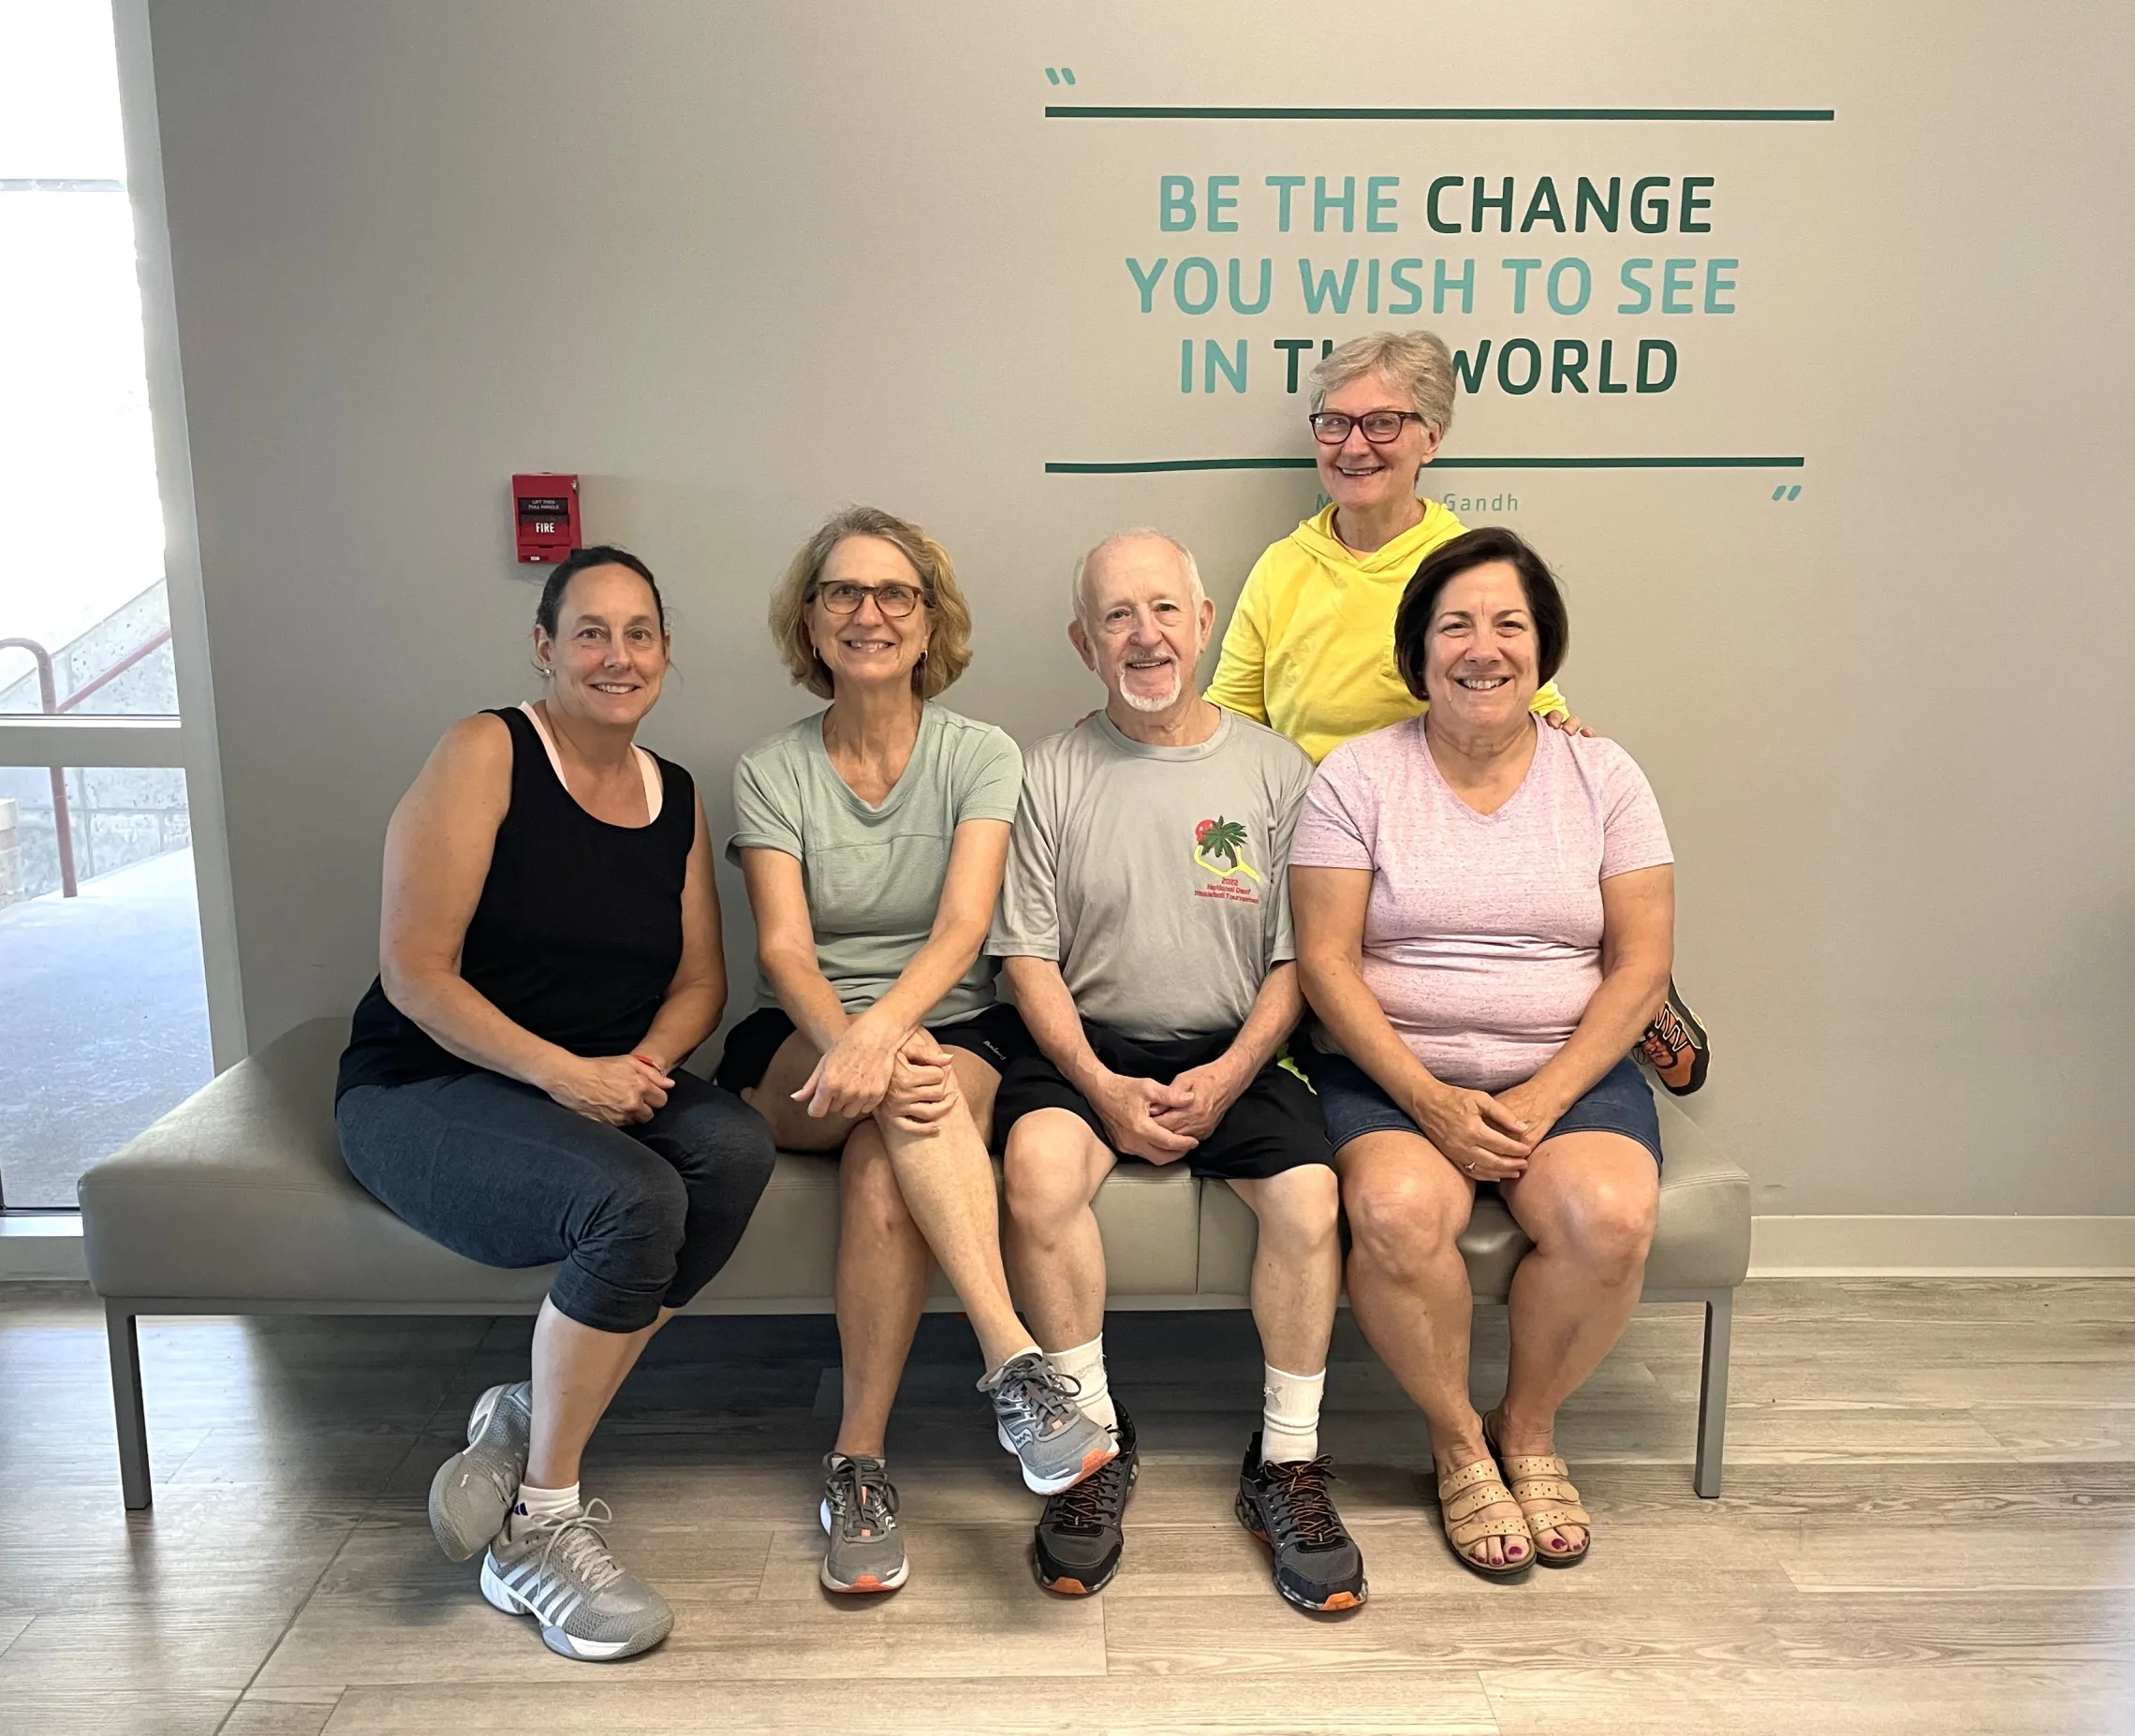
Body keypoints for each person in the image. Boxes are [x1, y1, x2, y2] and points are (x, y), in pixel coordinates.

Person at [334, 545, 778, 1661]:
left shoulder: (672, 791)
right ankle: (538, 1527)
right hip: (430, 1082)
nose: (616, 656)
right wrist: (562, 1075)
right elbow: (416, 973)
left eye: (639, 633)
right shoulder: (485, 750)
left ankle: (531, 1410)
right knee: (634, 1202)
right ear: (544, 646)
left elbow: (701, 985)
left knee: (728, 1145)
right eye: (590, 631)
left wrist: (635, 1069)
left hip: (587, 1077)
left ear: (666, 654)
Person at [717, 505, 1116, 1596]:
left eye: (895, 593)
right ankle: (1013, 1362)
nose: (869, 613)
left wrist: (884, 1040)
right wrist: (848, 1042)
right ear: (811, 619)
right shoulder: (769, 769)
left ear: (929, 618)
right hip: (803, 1035)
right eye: (843, 592)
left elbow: (961, 932)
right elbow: (787, 948)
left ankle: (857, 1466)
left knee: (890, 1155)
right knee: (906, 1104)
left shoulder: (980, 754)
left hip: (948, 1023)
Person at [989, 529, 1365, 1613]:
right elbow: (1027, 959)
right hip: (1084, 1052)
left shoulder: (1277, 770)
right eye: (1116, 616)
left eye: (1165, 611)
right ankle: (1091, 1448)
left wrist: (1237, 1068)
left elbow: (1303, 956)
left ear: (1204, 625)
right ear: (1083, 641)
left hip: (1236, 1049)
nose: (1144, 635)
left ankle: (1286, 1463)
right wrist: (1101, 1088)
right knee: (1037, 1172)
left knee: (1308, 1196)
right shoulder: (1046, 773)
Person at [1288, 526, 1675, 1580]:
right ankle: (1458, 1439)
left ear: (1543, 648)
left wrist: (1545, 1099)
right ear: (1418, 653)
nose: (1483, 646)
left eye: (1509, 623)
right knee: (1396, 1213)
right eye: (1454, 625)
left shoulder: (1606, 774)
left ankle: (1529, 1428)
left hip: (1571, 1068)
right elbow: (1324, 963)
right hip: (1394, 1072)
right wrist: (1430, 1100)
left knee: (1614, 1218)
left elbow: (1641, 966)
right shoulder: (1356, 776)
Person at [1208, 330, 1708, 1093]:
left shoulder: (1467, 559)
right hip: (1314, 841)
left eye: (1383, 423)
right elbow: (1230, 718)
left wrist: (1573, 740)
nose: (1354, 446)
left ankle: (1629, 993)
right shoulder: (1281, 568)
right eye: (1334, 422)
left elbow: (1518, 697)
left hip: (1428, 837)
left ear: (1431, 438)